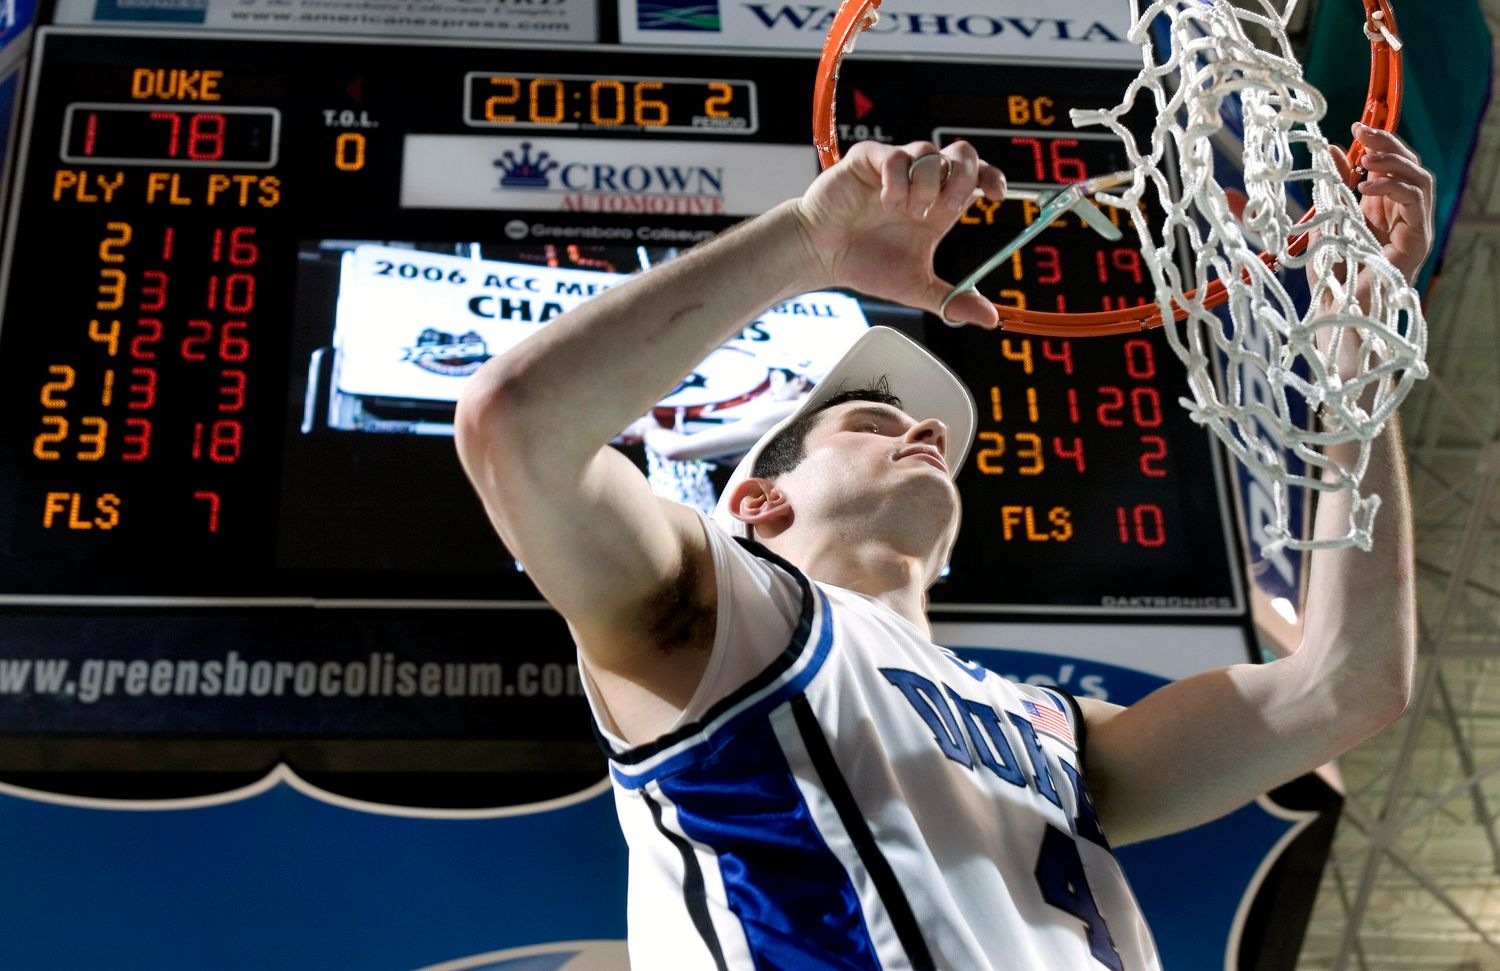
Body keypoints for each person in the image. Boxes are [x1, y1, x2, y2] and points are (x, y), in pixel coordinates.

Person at [454, 129, 1430, 969]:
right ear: (756, 498)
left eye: (925, 435)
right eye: (876, 421)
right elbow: (516, 425)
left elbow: (1345, 683)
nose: (924, 434)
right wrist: (807, 243)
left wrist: (1362, 360)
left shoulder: (1050, 725)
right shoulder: (719, 615)